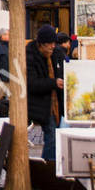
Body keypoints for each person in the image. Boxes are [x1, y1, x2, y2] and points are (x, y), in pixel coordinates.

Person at [27, 25, 62, 162]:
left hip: (54, 103)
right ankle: (48, 167)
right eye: (50, 44)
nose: (52, 47)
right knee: (52, 135)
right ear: (41, 44)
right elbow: (32, 83)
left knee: (55, 135)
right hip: (38, 103)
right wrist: (53, 83)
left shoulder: (56, 53)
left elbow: (63, 70)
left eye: (54, 43)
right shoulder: (30, 55)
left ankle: (49, 166)